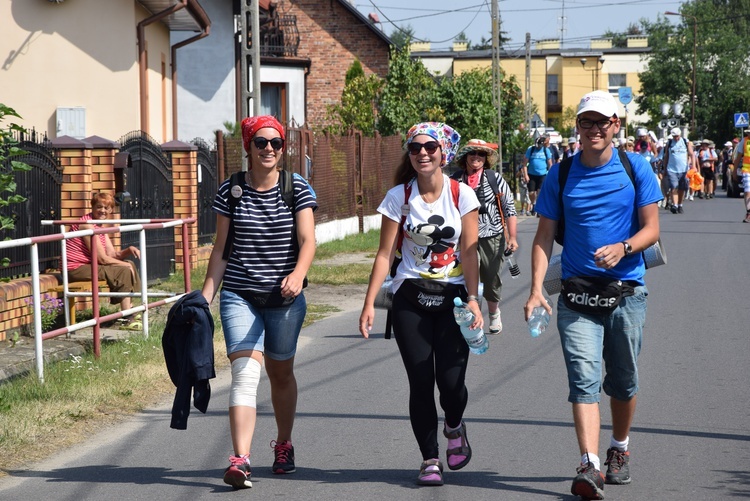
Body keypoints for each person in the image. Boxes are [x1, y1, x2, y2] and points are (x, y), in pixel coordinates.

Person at [525, 90, 662, 500]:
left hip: (626, 293)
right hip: (576, 296)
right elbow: (545, 235)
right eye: (587, 122)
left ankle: (618, 448)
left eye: (603, 121)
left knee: (623, 382)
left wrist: (624, 248)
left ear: (616, 125)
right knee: (583, 381)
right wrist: (535, 289)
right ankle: (590, 464)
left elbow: (652, 228)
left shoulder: (635, 167)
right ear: (578, 128)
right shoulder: (560, 174)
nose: (595, 129)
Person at [359, 122, 482, 487]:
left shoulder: (462, 196)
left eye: (430, 148)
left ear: (444, 153)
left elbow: (471, 256)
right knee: (420, 381)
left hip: (454, 298)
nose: (422, 154)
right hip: (410, 297)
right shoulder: (399, 197)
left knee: (451, 383)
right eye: (415, 148)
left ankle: (455, 424)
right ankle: (430, 458)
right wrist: (369, 303)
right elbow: (384, 254)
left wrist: (474, 301)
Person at [200, 115, 317, 489]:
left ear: (283, 149)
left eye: (276, 143)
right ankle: (241, 459)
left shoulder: (295, 187)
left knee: (280, 374)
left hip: (285, 298)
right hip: (239, 294)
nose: (269, 148)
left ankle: (283, 445)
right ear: (248, 147)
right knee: (245, 374)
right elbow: (221, 250)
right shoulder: (231, 190)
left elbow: (308, 239)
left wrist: (298, 274)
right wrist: (204, 298)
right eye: (261, 142)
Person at [452, 139, 518, 335]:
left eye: (481, 154)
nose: (476, 157)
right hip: (463, 237)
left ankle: (494, 312)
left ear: (486, 159)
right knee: (464, 276)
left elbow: (509, 208)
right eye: (473, 153)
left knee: (490, 277)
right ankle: (471, 315)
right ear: (465, 157)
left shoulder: (494, 178)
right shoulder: (455, 180)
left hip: (492, 235)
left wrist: (512, 236)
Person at [66, 192, 141, 316]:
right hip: (75, 268)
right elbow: (102, 259)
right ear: (93, 207)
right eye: (99, 207)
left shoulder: (99, 225)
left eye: (106, 208)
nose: (102, 211)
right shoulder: (87, 225)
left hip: (88, 265)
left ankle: (130, 307)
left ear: (111, 210)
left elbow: (112, 255)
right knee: (123, 269)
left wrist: (129, 250)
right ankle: (127, 316)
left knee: (129, 263)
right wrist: (123, 265)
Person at [662, 127, 694, 214]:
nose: (676, 138)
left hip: (683, 169)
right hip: (672, 169)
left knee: (681, 189)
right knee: (674, 187)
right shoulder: (669, 143)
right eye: (674, 136)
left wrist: (693, 167)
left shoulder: (685, 142)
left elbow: (692, 154)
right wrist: (664, 169)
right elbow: (666, 156)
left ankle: (680, 205)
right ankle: (675, 205)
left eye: (677, 136)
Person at [523, 135, 553, 215]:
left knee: (540, 191)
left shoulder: (546, 150)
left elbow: (550, 164)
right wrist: (525, 175)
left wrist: (550, 174)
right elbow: (524, 164)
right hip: (531, 174)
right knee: (531, 193)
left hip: (543, 174)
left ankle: (539, 208)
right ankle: (534, 204)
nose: (538, 147)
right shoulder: (531, 150)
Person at [731, 128, 750, 223]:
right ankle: (748, 212)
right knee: (747, 191)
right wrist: (734, 171)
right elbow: (738, 157)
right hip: (747, 170)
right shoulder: (744, 141)